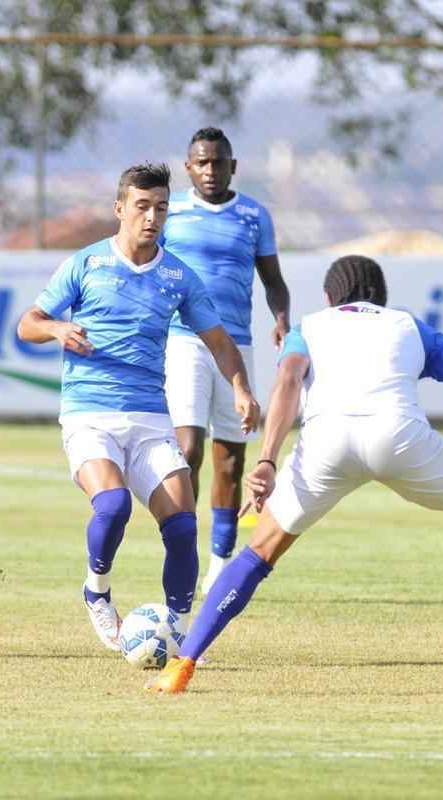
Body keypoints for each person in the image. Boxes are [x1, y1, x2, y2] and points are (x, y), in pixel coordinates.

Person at [146, 255, 443, 694]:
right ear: (381, 297)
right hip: (398, 437)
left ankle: (183, 665)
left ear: (329, 297)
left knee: (258, 554)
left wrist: (267, 459)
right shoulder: (407, 325)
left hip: (326, 445)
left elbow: (287, 381)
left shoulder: (311, 326)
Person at [17, 162, 260, 651]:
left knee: (183, 525)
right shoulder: (85, 264)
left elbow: (220, 341)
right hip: (90, 414)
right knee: (113, 504)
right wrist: (57, 329)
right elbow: (28, 323)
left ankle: (178, 632)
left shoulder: (177, 276)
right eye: (143, 207)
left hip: (150, 418)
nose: (152, 217)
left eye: (162, 208)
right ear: (120, 209)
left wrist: (240, 387)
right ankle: (97, 591)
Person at [161, 127, 291, 594]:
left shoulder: (254, 216)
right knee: (188, 450)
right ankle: (184, 553)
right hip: (184, 340)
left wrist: (281, 318)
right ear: (188, 167)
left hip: (237, 347)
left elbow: (273, 279)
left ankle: (219, 565)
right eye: (202, 162)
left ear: (233, 166)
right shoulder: (170, 210)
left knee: (231, 463)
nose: (211, 170)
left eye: (219, 162)